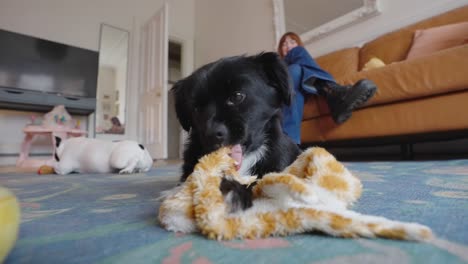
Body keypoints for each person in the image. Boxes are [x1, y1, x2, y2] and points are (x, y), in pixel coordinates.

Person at [278, 32, 377, 144]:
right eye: (284, 44)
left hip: (300, 89)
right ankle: (333, 93)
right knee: (296, 60)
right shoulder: (277, 64)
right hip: (281, 89)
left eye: (292, 42)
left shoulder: (303, 67)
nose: (288, 46)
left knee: (296, 69)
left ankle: (288, 143)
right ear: (280, 50)